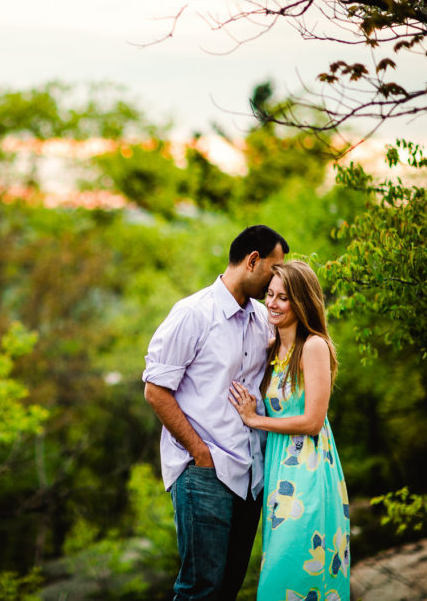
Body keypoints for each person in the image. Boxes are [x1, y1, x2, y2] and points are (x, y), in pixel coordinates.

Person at [142, 225, 288, 600]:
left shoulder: (261, 318)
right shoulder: (193, 313)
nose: (278, 277)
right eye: (275, 268)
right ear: (252, 261)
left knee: (227, 589)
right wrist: (200, 454)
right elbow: (156, 390)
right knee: (199, 590)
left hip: (250, 473)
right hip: (203, 471)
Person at [229, 260, 351, 600]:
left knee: (293, 571)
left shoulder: (313, 346)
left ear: (301, 302)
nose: (272, 303)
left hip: (309, 474)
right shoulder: (270, 351)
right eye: (269, 294)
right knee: (280, 572)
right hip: (279, 474)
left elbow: (313, 420)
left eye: (284, 297)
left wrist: (255, 419)